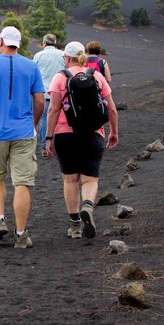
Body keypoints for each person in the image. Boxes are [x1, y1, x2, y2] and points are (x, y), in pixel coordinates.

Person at [0, 26, 45, 249]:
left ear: (1, 41)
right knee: (22, 182)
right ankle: (21, 234)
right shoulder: (31, 66)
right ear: (19, 43)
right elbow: (40, 101)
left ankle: (0, 220)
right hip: (24, 132)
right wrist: (32, 124)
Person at [44, 41, 119, 239]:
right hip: (94, 134)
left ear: (66, 58)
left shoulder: (60, 77)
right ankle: (87, 206)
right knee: (90, 179)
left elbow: (53, 110)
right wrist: (114, 132)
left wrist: (48, 137)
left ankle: (76, 224)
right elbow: (111, 108)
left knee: (70, 179)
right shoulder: (97, 76)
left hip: (65, 135)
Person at [33, 33, 65, 154]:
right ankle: (59, 145)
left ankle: (44, 146)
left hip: (44, 92)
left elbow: (34, 73)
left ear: (44, 43)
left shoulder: (38, 55)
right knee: (61, 118)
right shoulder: (62, 55)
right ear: (55, 43)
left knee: (44, 119)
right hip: (61, 93)